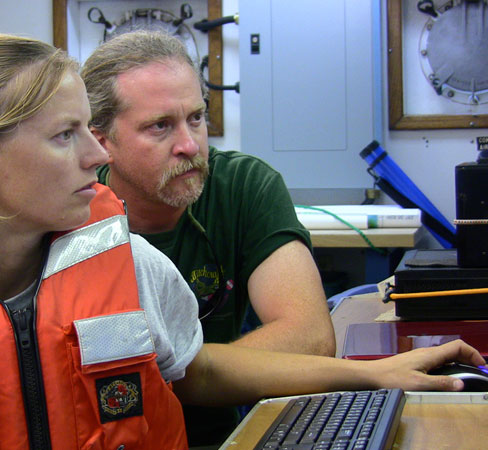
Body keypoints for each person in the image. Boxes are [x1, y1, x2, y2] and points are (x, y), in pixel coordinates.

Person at [0, 33, 485, 450]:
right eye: (67, 135)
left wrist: (377, 374)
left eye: (197, 118)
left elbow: (196, 368)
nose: (96, 157)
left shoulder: (125, 260)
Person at [81, 29, 336, 445]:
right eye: (160, 126)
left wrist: (176, 371)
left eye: (195, 118)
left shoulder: (243, 185)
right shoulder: (70, 214)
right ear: (101, 141)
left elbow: (309, 339)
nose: (189, 144)